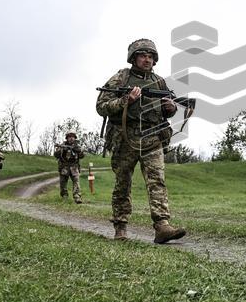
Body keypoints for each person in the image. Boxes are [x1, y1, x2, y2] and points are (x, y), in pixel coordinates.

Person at [96, 38, 186, 243]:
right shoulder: (121, 78)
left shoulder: (160, 82)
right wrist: (126, 101)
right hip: (125, 138)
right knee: (122, 183)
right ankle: (120, 227)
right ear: (133, 58)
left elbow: (165, 111)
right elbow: (101, 106)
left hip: (152, 137)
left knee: (157, 181)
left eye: (151, 56)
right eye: (143, 56)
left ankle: (162, 226)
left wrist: (170, 109)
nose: (147, 60)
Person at [54, 131, 85, 203]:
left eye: (73, 137)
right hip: (64, 167)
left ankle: (77, 197)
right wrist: (62, 150)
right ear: (67, 138)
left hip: (74, 167)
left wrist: (78, 151)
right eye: (69, 137)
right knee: (63, 183)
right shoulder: (62, 145)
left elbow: (82, 156)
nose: (71, 138)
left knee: (76, 182)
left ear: (75, 138)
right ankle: (64, 196)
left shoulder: (77, 146)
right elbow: (56, 155)